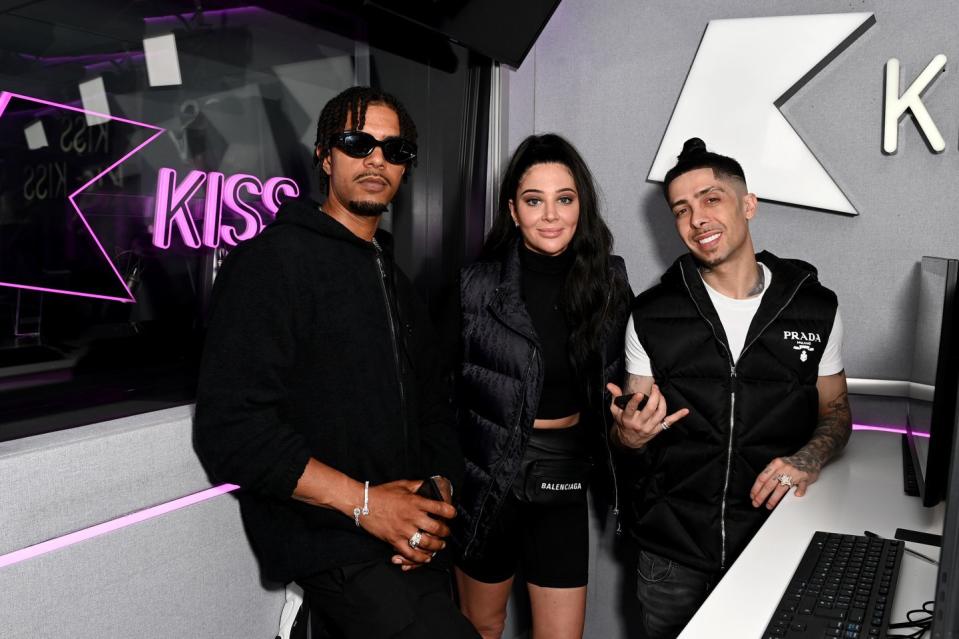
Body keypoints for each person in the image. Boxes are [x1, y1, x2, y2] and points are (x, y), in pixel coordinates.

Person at [194, 86, 478, 639]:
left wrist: (436, 496)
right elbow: (231, 430)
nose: (377, 159)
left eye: (394, 151)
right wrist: (368, 505)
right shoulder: (272, 264)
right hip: (334, 545)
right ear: (326, 156)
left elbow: (434, 408)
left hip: (406, 544)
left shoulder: (397, 284)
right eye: (358, 143)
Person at [608, 138, 852, 639]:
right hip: (670, 556)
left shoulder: (815, 308)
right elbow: (631, 428)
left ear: (748, 204)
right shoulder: (651, 315)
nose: (697, 218)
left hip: (773, 545)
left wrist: (809, 457)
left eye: (711, 198)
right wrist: (629, 436)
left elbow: (838, 412)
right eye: (681, 209)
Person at [450, 134, 633, 639]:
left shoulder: (609, 283)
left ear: (581, 205)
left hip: (563, 473)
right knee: (481, 626)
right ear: (513, 210)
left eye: (565, 199)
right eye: (535, 201)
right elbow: (442, 396)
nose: (551, 215)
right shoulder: (475, 287)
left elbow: (629, 378)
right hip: (487, 479)